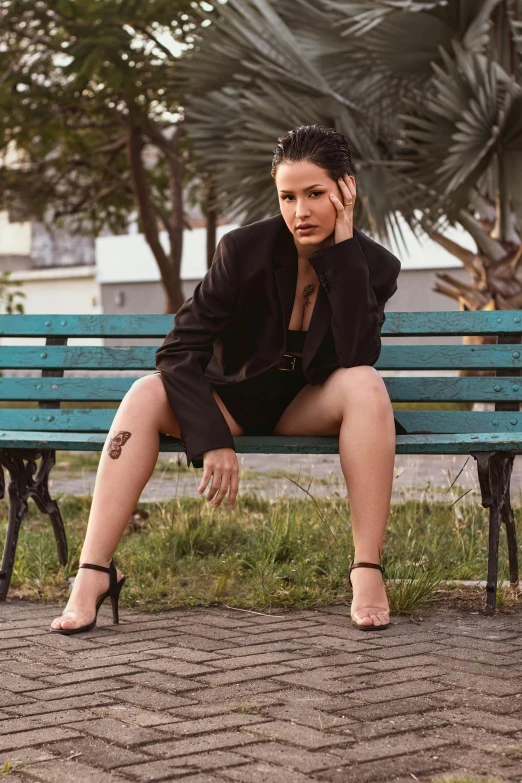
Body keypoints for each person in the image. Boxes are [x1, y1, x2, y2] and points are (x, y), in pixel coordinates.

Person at [50, 124, 401, 635]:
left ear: (346, 190)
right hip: (233, 403)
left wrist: (342, 253)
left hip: (307, 403)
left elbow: (355, 352)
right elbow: (177, 349)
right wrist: (211, 438)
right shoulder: (243, 250)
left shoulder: (374, 265)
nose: (299, 211)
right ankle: (93, 573)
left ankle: (367, 568)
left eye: (315, 194)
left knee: (366, 383)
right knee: (145, 393)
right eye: (287, 196)